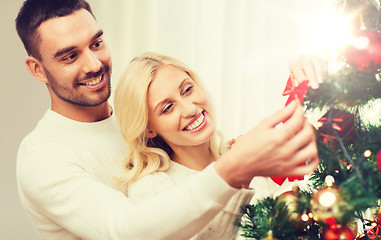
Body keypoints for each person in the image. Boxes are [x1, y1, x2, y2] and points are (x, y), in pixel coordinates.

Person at [15, 0, 325, 239]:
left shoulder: (139, 121)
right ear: (37, 69)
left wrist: (307, 90)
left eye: (96, 43)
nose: (94, 64)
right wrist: (235, 170)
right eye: (70, 56)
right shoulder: (44, 157)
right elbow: (126, 230)